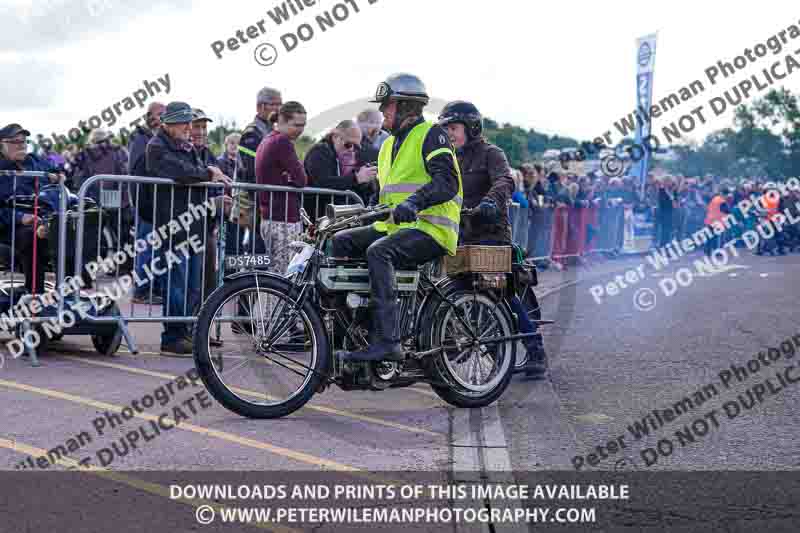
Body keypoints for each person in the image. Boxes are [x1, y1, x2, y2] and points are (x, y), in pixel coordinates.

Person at [333, 73, 462, 363]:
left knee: (379, 252)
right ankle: (349, 336)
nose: (381, 110)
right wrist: (360, 215)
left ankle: (387, 341)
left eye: (387, 104)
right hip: (396, 227)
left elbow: (447, 182)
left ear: (406, 106)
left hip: (431, 228)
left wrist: (414, 202)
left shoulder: (432, 134)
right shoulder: (387, 146)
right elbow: (386, 196)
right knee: (340, 242)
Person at [437, 100, 546, 377]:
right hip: (459, 236)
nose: (449, 134)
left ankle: (535, 350)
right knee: (452, 291)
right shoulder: (448, 158)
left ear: (471, 127)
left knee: (500, 293)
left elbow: (505, 181)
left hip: (491, 235)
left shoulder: (491, 153)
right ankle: (450, 345)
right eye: (445, 129)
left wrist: (490, 202)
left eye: (453, 128)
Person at [143, 101, 232, 355]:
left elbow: (192, 172)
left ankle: (187, 333)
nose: (188, 127)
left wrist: (207, 175)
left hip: (194, 225)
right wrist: (208, 173)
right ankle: (172, 338)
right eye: (183, 122)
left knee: (193, 285)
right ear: (167, 124)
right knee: (176, 284)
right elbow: (181, 172)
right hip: (173, 226)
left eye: (188, 122)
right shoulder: (157, 146)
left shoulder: (185, 146)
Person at [0, 124, 55, 296]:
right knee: (32, 235)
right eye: (15, 142)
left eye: (24, 141)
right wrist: (19, 217)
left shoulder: (34, 161)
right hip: (8, 226)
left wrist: (57, 174)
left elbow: (56, 166)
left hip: (42, 218)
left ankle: (69, 293)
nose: (21, 145)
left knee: (72, 227)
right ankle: (35, 293)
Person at [255, 101, 309, 276]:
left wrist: (289, 177)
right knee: (283, 276)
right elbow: (302, 179)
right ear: (282, 121)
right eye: (297, 125)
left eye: (303, 125)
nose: (301, 130)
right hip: (283, 219)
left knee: (275, 273)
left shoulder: (268, 139)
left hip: (271, 217)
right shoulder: (282, 142)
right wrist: (291, 177)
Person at [129, 102, 166, 304]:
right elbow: (137, 169)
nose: (163, 117)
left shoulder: (157, 137)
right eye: (160, 114)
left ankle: (153, 288)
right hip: (145, 203)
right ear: (149, 116)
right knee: (146, 248)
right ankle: (141, 291)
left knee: (156, 248)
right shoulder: (140, 138)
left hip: (158, 203)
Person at [303, 119, 378, 215]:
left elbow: (346, 185)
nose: (351, 149)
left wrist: (365, 181)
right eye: (348, 144)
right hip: (315, 214)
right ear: (335, 137)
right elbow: (324, 183)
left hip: (331, 214)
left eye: (356, 147)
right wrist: (356, 178)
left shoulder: (339, 155)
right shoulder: (319, 152)